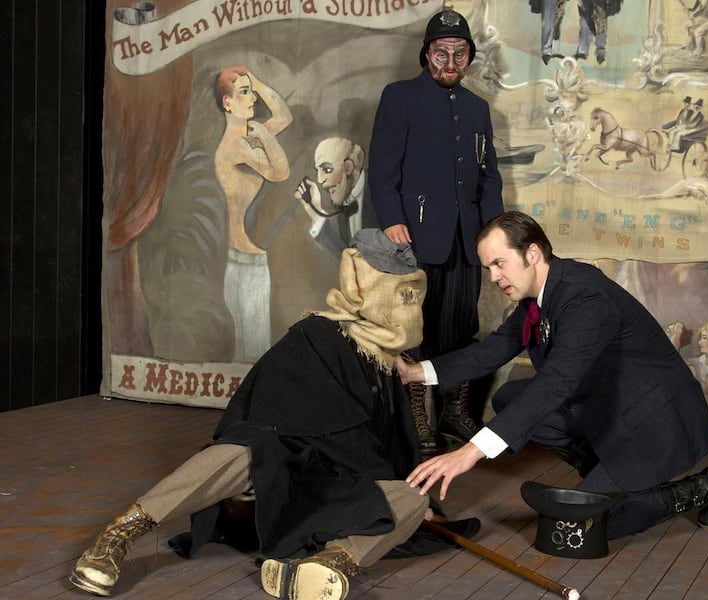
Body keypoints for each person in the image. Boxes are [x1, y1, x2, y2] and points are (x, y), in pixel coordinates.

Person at [70, 231, 440, 600]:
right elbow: (261, 416)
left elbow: (395, 446)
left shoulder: (391, 363)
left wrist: (405, 497)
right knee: (245, 448)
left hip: (339, 487)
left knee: (413, 496)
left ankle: (331, 562)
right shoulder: (315, 334)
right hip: (279, 481)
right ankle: (119, 535)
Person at [398, 211, 708, 543]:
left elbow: (556, 383)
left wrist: (471, 451)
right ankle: (604, 472)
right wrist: (417, 372)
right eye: (488, 267)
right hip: (613, 407)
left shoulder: (585, 297)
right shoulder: (540, 295)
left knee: (572, 530)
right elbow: (493, 349)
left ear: (532, 253)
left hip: (656, 424)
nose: (493, 277)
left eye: (498, 263)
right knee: (510, 398)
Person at [368, 9, 504, 456]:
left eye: (459, 53)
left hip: (467, 241)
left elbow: (489, 179)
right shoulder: (399, 97)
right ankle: (415, 417)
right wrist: (391, 219)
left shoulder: (476, 108)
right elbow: (383, 167)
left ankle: (453, 412)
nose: (451, 62)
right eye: (442, 52)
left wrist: (493, 236)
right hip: (415, 239)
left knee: (461, 329)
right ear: (427, 54)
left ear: (469, 58)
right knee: (414, 331)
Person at [214, 65, 293, 362]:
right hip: (246, 266)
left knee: (249, 349)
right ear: (227, 102)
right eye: (244, 93)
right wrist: (264, 133)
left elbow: (285, 117)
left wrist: (256, 83)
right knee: (253, 351)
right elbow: (280, 171)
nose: (254, 99)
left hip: (244, 261)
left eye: (252, 93)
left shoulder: (247, 138)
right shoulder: (237, 146)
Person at [295, 137, 376, 261]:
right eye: (318, 171)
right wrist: (315, 212)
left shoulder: (380, 189)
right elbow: (347, 262)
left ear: (348, 167)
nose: (320, 180)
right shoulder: (345, 206)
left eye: (327, 170)